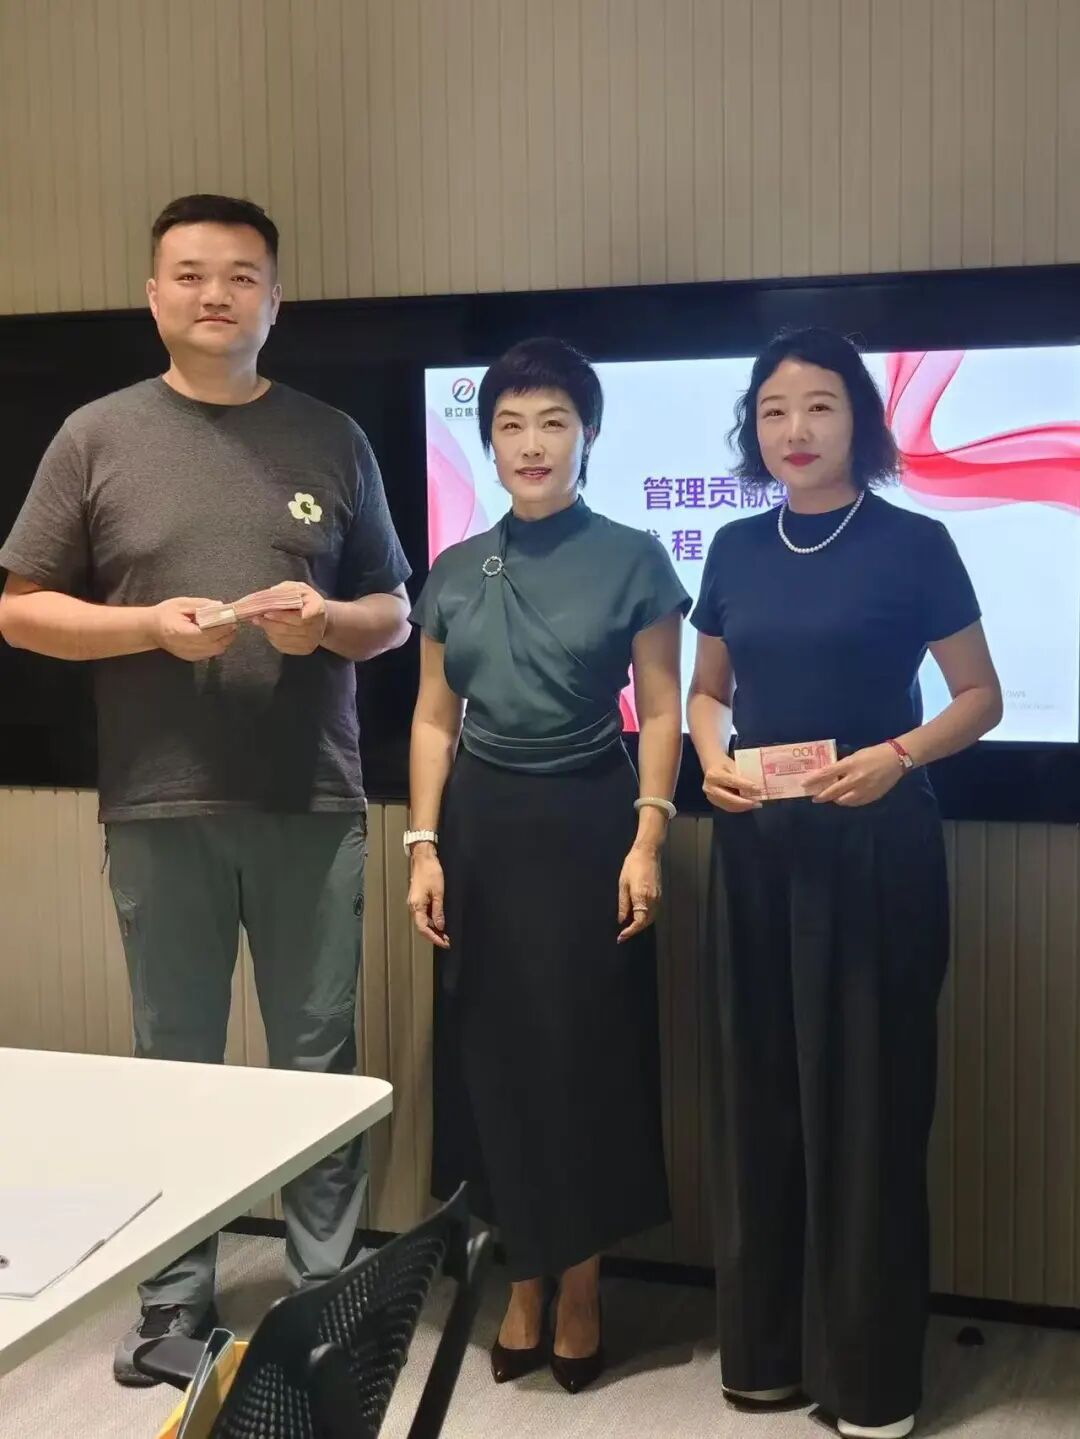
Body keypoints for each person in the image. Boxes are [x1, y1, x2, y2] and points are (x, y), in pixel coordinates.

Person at [0, 194, 412, 1384]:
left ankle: (326, 1302)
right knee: (170, 1064)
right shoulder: (96, 434)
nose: (215, 293)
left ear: (274, 299)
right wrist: (145, 626)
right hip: (158, 800)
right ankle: (171, 1302)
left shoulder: (332, 436)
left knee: (318, 1062)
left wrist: (326, 621)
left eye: (240, 275)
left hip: (312, 797)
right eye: (190, 273)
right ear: (154, 295)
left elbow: (394, 611)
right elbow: (21, 609)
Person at [687, 328, 1002, 1439]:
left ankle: (867, 1381)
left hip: (875, 851)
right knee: (758, 1097)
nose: (795, 429)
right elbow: (708, 691)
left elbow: (980, 695)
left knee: (868, 1107)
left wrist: (899, 755)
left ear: (859, 420)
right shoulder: (734, 546)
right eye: (774, 409)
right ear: (753, 427)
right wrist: (710, 758)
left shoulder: (915, 542)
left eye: (819, 406)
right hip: (756, 848)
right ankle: (766, 1357)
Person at [407, 338, 688, 1392]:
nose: (531, 444)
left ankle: (579, 1286)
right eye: (511, 425)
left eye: (554, 422)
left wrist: (647, 838)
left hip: (591, 824)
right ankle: (520, 1275)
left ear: (589, 434)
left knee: (586, 1054)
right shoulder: (456, 567)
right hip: (482, 829)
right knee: (492, 1054)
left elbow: (662, 708)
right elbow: (434, 721)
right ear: (488, 442)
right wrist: (423, 844)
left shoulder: (634, 557)